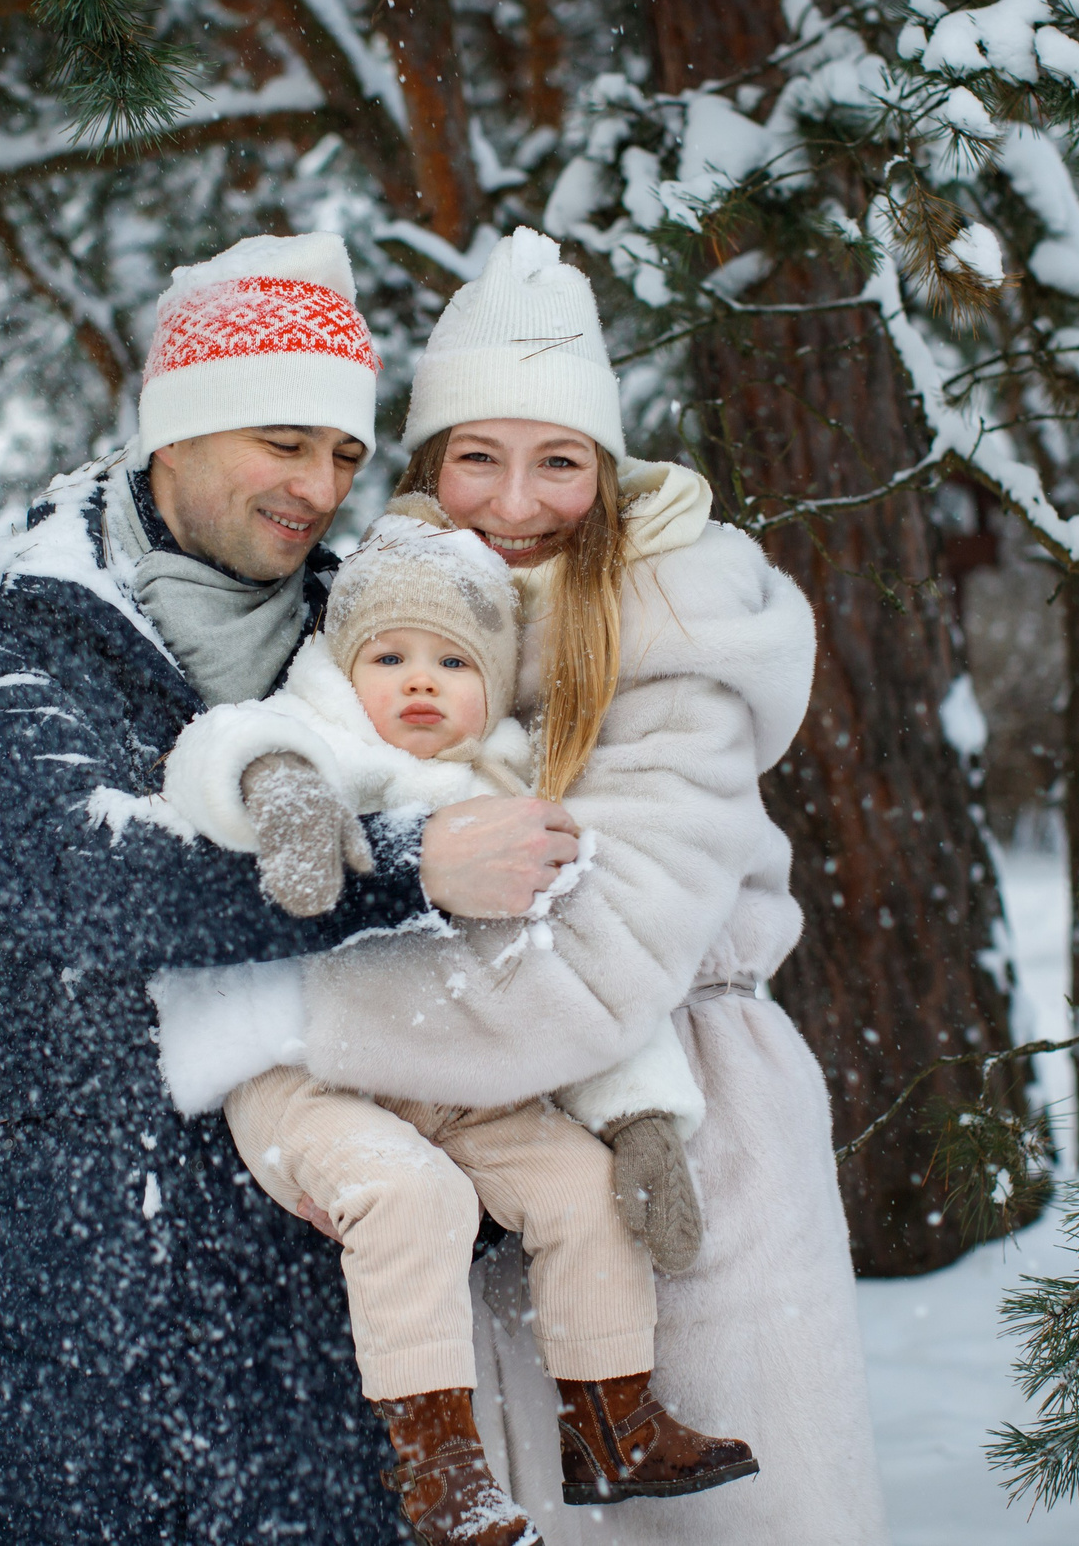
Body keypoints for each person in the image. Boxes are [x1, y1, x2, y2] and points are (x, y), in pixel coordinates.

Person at [0, 232, 581, 1546]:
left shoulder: (368, 626)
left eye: (342, 453)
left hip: (305, 1270)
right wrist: (406, 864)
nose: (319, 487)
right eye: (283, 441)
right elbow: (85, 879)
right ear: (177, 427)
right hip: (54, 1242)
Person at [281, 227, 891, 1543]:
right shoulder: (402, 618)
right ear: (428, 467)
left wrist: (286, 1030)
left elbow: (605, 946)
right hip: (492, 1112)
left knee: (732, 1519)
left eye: (557, 460)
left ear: (606, 471)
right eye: (476, 457)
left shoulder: (673, 626)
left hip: (683, 1107)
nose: (514, 503)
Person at [145, 499, 752, 1545]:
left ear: (495, 681)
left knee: (583, 1190)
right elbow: (215, 749)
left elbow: (582, 978)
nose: (419, 681)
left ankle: (613, 1423)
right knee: (412, 1197)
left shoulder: (520, 797)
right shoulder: (321, 741)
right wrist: (279, 789)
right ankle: (439, 1469)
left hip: (468, 1089)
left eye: (452, 661)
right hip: (312, 1077)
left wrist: (640, 1116)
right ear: (345, 670)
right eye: (389, 657)